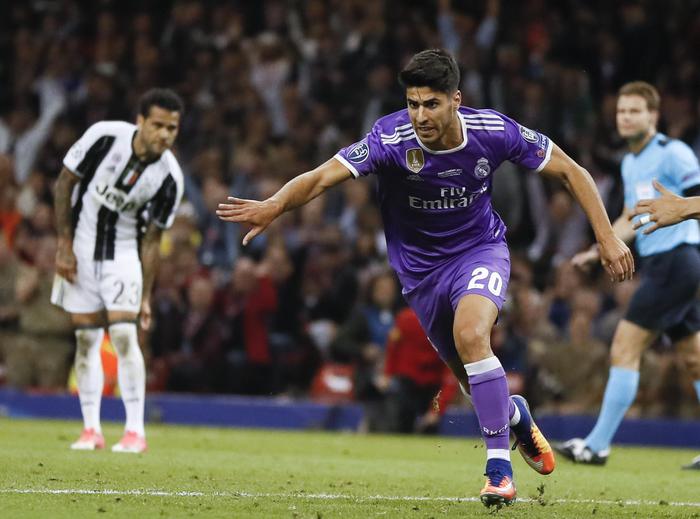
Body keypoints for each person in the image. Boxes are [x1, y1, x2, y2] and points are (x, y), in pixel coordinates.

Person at [217, 49, 633, 506]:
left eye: (430, 104)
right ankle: (513, 415)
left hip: (480, 251)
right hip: (419, 273)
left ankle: (499, 471)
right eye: (413, 103)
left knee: (474, 335)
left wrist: (607, 237)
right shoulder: (389, 137)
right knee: (472, 381)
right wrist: (274, 204)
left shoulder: (494, 131)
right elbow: (322, 178)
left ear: (456, 99)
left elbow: (572, 172)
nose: (419, 115)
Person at [554, 81, 700, 469]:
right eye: (621, 111)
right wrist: (597, 247)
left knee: (625, 346)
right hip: (664, 263)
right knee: (695, 358)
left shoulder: (675, 153)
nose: (626, 117)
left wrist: (681, 208)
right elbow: (630, 218)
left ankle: (597, 445)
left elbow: (695, 195)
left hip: (677, 260)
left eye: (635, 111)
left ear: (653, 116)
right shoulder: (630, 162)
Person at [51, 88, 185, 453]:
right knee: (86, 339)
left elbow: (153, 240)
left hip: (124, 253)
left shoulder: (170, 176)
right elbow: (64, 184)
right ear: (139, 121)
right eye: (157, 125)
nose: (164, 135)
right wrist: (63, 245)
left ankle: (134, 432)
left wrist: (145, 296)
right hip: (79, 247)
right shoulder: (104, 137)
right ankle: (91, 429)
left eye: (172, 128)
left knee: (125, 336)